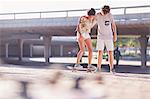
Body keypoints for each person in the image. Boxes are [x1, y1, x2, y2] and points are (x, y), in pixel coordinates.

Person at [96, 5, 117, 73]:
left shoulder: (110, 15)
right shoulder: (97, 15)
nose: (104, 13)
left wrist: (115, 35)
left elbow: (113, 25)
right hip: (100, 36)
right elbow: (92, 21)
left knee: (110, 52)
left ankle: (112, 68)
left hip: (109, 36)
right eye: (103, 12)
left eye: (106, 12)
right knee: (100, 52)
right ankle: (98, 68)